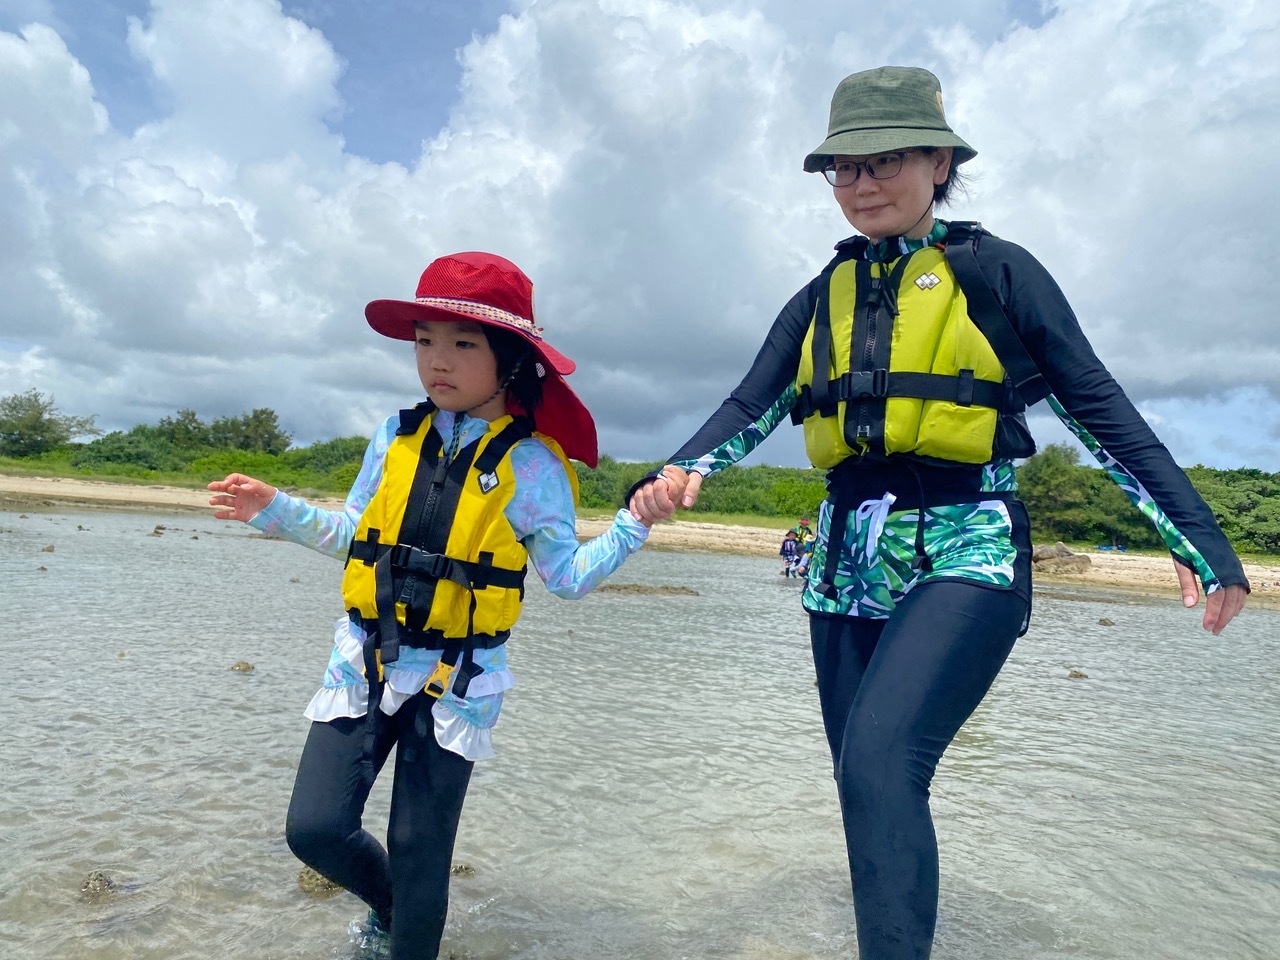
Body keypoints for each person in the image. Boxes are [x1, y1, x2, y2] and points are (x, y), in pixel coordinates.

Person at [628, 66, 1249, 960]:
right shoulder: (819, 298)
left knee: (883, 763)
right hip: (845, 559)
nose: (861, 183)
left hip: (970, 543)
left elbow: (1099, 408)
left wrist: (1199, 537)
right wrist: (675, 471)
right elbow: (748, 405)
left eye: (885, 160)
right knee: (861, 780)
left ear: (940, 162)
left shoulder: (997, 274)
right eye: (842, 168)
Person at [209, 252, 668, 960]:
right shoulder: (393, 438)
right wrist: (275, 510)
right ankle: (394, 910)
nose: (437, 361)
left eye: (461, 343)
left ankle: (410, 924)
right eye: (425, 340)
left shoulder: (534, 466)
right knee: (316, 829)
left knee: (420, 849)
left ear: (509, 357)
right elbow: (355, 538)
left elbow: (568, 578)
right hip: (363, 661)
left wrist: (635, 524)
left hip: (458, 681)